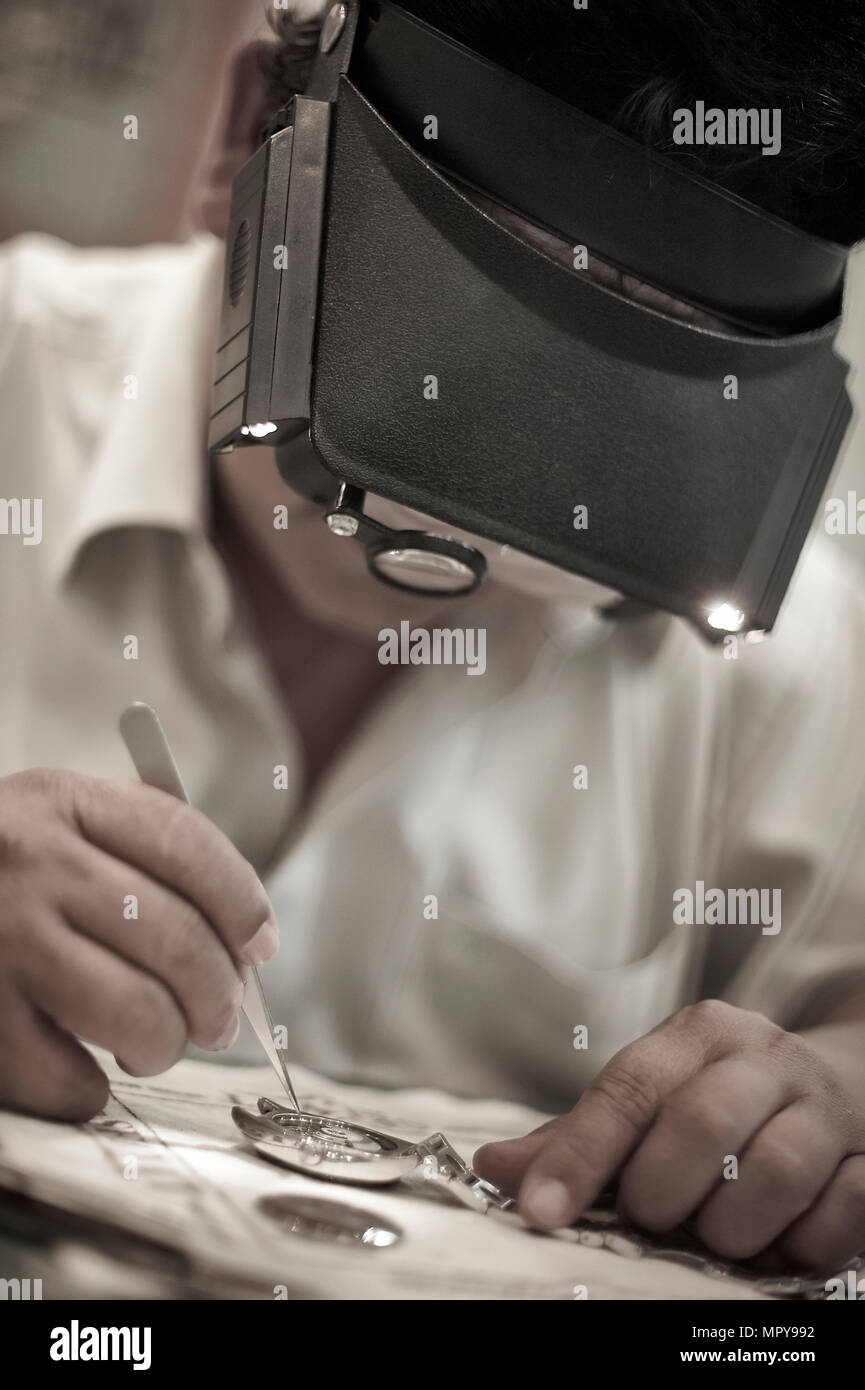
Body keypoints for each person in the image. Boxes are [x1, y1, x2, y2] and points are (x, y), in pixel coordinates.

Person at [0, 0, 864, 1273]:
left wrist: (830, 1092)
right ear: (247, 141)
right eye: (455, 386)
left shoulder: (793, 672)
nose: (509, 528)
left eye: (625, 447)